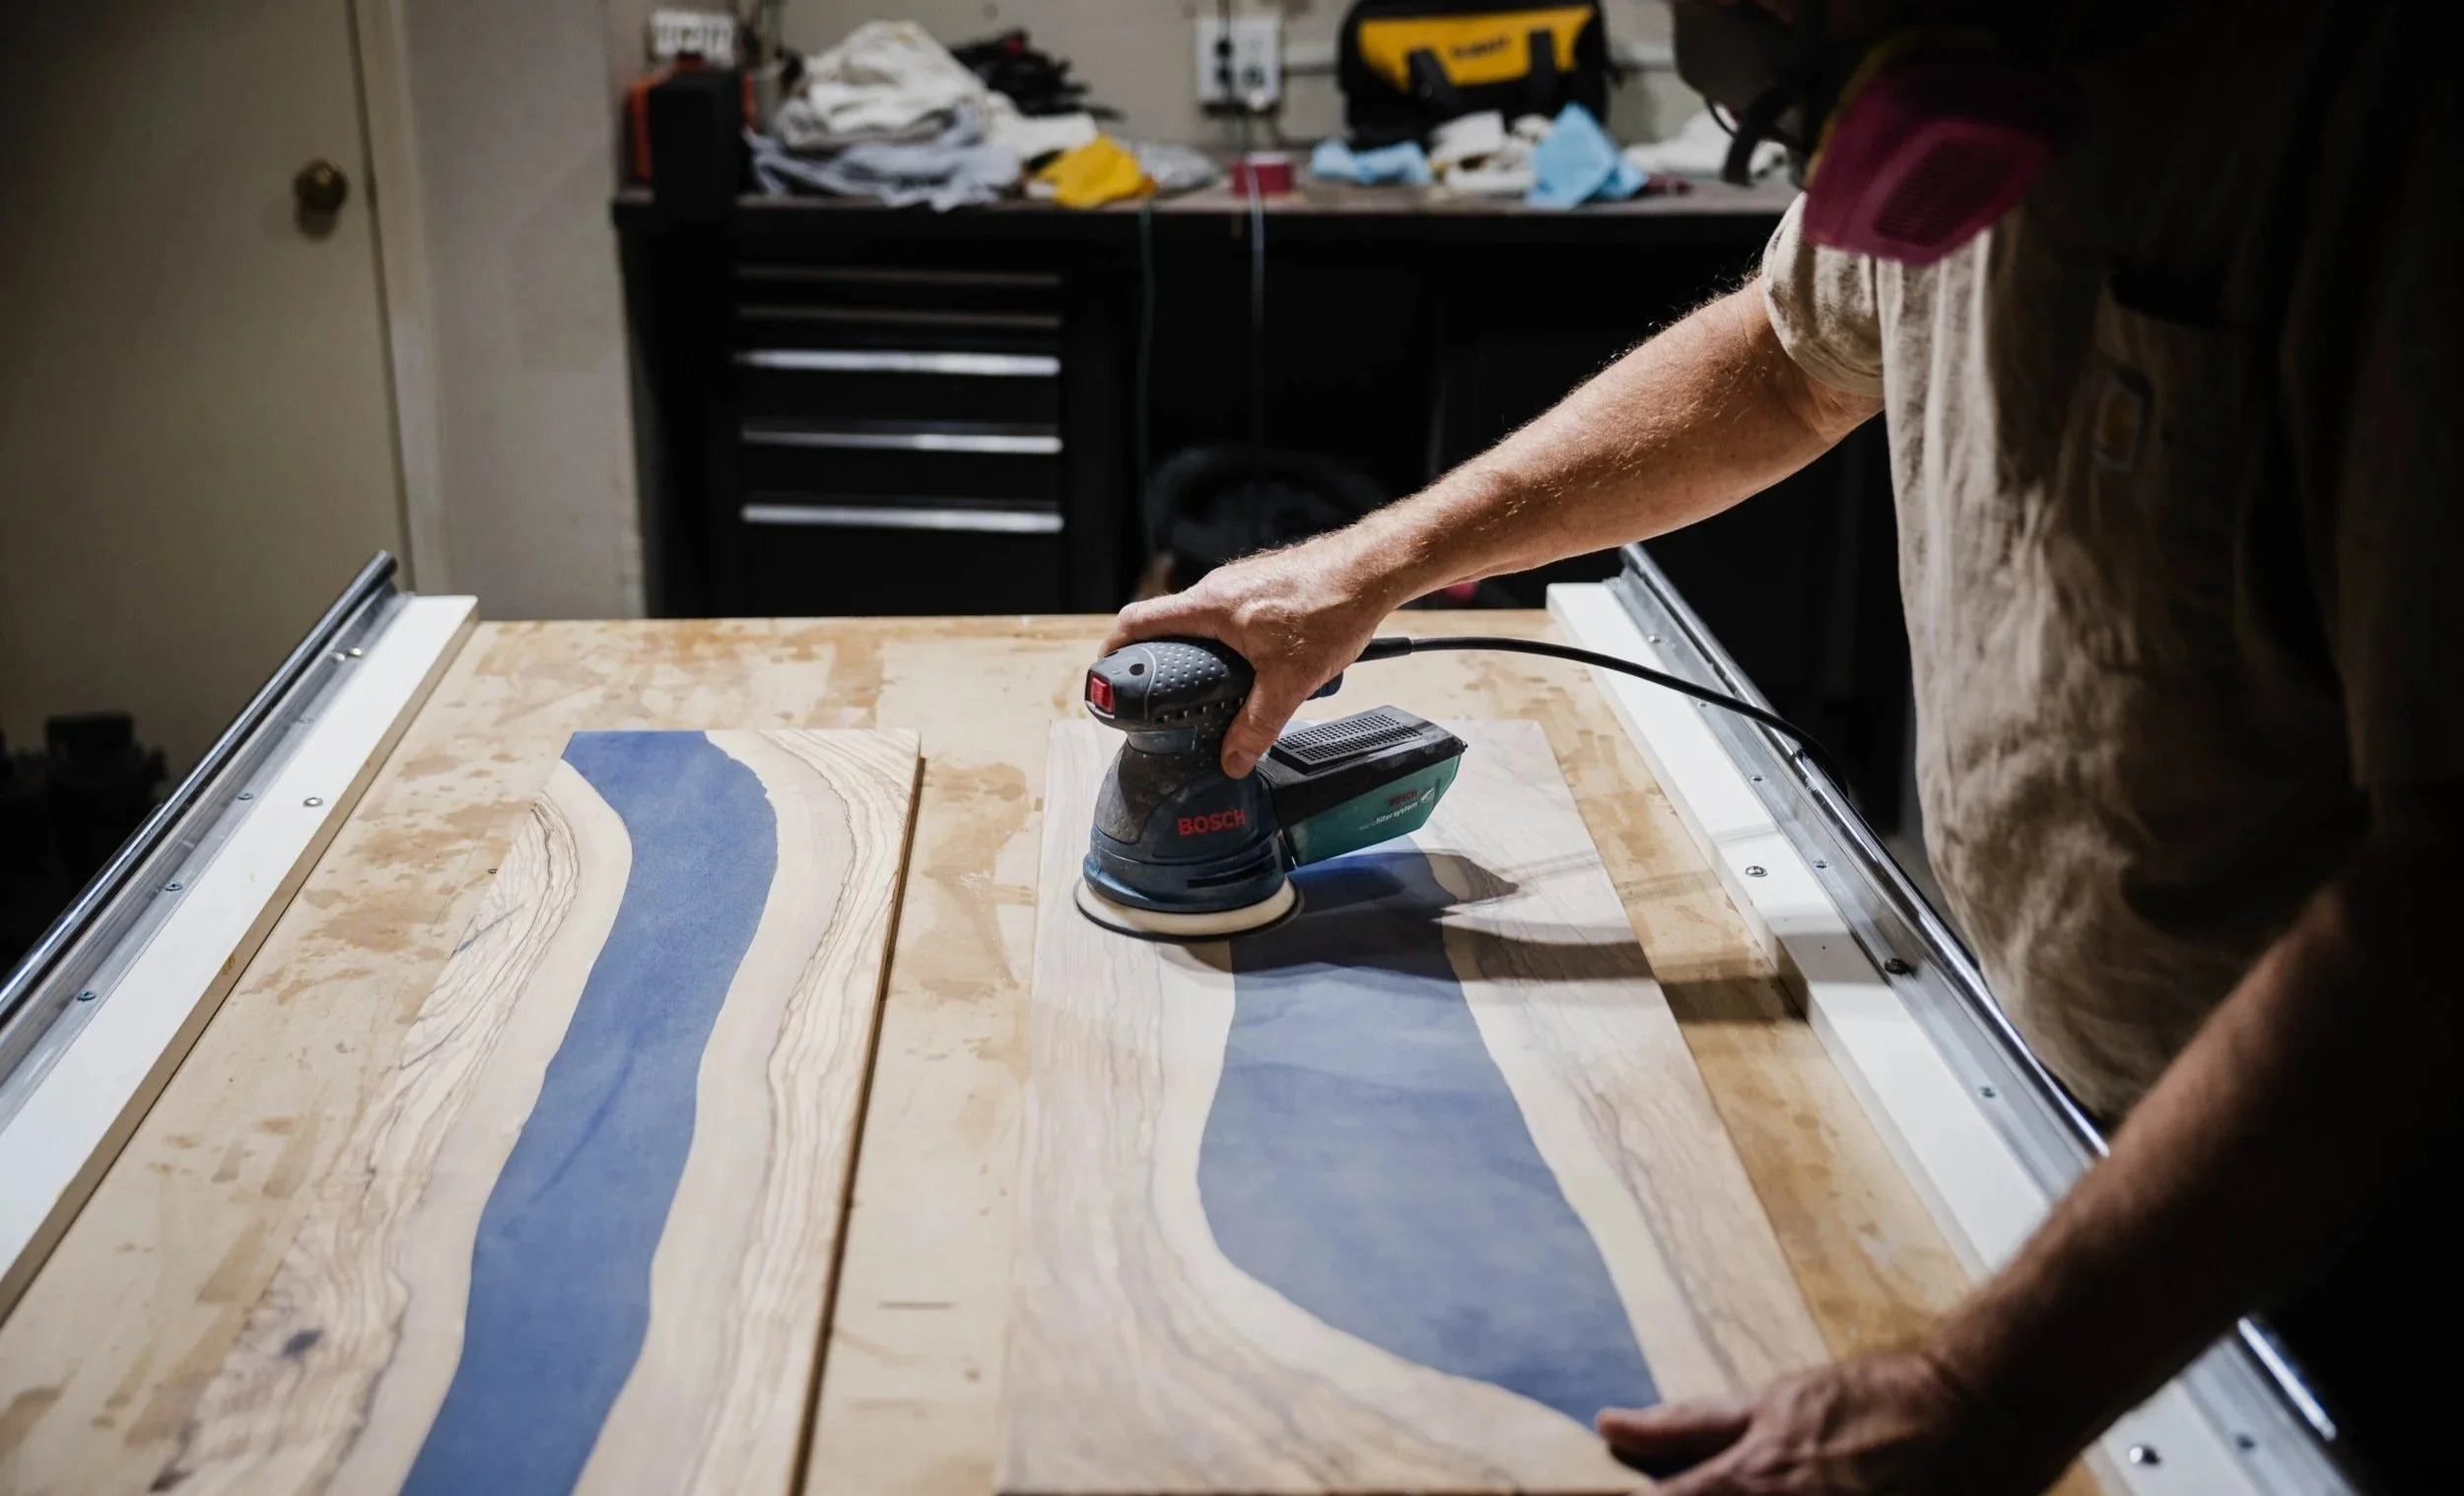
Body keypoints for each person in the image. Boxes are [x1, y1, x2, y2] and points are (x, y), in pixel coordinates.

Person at [1103, 0, 2459, 1489]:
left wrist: (1977, 1388)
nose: (1809, 163)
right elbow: (1789, 361)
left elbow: (2442, 895)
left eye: (1801, 105)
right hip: (2048, 1104)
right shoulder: (1961, 77)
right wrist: (1379, 560)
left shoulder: (2372, 130)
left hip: (2338, 1207)